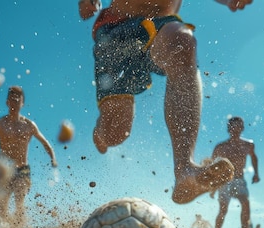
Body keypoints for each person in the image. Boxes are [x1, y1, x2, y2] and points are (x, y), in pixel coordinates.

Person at [79, 0, 254, 204]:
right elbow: (85, 8)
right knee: (116, 132)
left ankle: (184, 171)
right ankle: (101, 135)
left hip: (161, 23)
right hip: (115, 31)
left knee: (182, 41)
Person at [0, 86, 58, 224]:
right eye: (12, 100)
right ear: (7, 102)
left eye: (17, 100)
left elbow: (45, 143)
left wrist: (53, 158)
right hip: (5, 171)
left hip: (22, 169)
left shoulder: (29, 125)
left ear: (22, 103)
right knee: (2, 207)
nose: (14, 103)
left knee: (19, 200)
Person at [210, 116, 260, 228]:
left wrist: (256, 173)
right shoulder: (220, 147)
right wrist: (213, 187)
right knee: (223, 210)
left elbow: (254, 158)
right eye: (233, 126)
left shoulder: (248, 145)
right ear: (229, 128)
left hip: (239, 180)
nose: (236, 129)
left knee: (245, 203)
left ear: (242, 128)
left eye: (238, 126)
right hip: (224, 181)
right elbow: (211, 167)